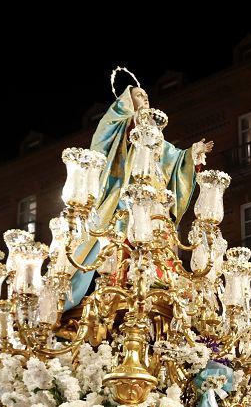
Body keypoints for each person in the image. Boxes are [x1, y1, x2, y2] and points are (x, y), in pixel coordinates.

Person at [67, 82, 213, 309]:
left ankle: (159, 282)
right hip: (127, 196)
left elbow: (173, 159)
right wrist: (131, 124)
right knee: (124, 240)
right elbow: (104, 136)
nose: (145, 98)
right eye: (138, 95)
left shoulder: (158, 139)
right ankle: (119, 284)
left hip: (156, 202)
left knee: (158, 239)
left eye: (146, 95)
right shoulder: (123, 126)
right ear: (127, 100)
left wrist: (192, 154)